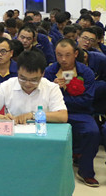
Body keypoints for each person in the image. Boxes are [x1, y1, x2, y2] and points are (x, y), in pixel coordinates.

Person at [43, 39, 100, 187]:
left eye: (67, 55)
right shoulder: (49, 72)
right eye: (59, 55)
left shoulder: (86, 72)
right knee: (44, 130)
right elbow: (43, 100)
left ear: (75, 54)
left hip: (80, 113)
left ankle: (86, 171)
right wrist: (53, 89)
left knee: (92, 131)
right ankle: (48, 169)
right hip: (55, 113)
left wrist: (63, 96)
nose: (63, 59)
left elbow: (87, 100)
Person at [0, 50, 67, 124]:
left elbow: (62, 116)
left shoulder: (51, 88)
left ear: (42, 74)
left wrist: (33, 115)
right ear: (17, 71)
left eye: (34, 80)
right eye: (23, 78)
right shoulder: (7, 85)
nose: (27, 84)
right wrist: (3, 118)